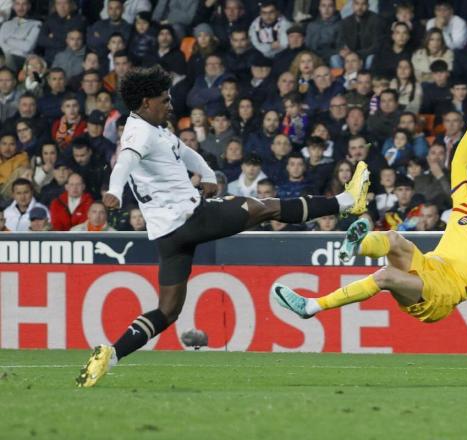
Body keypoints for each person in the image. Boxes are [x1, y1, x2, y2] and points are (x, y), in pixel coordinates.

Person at [76, 65, 371, 388]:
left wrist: (206, 175)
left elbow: (184, 152)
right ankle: (346, 202)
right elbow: (124, 164)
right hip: (189, 218)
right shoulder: (139, 134)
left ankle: (110, 355)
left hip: (168, 236)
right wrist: (114, 192)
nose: (171, 104)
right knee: (265, 206)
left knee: (168, 309)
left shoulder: (152, 127)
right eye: (164, 99)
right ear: (146, 102)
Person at [272, 104, 467, 348]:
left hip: (444, 293)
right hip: (429, 265)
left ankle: (312, 305)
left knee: (384, 276)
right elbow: (460, 162)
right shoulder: (466, 202)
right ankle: (357, 244)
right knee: (393, 238)